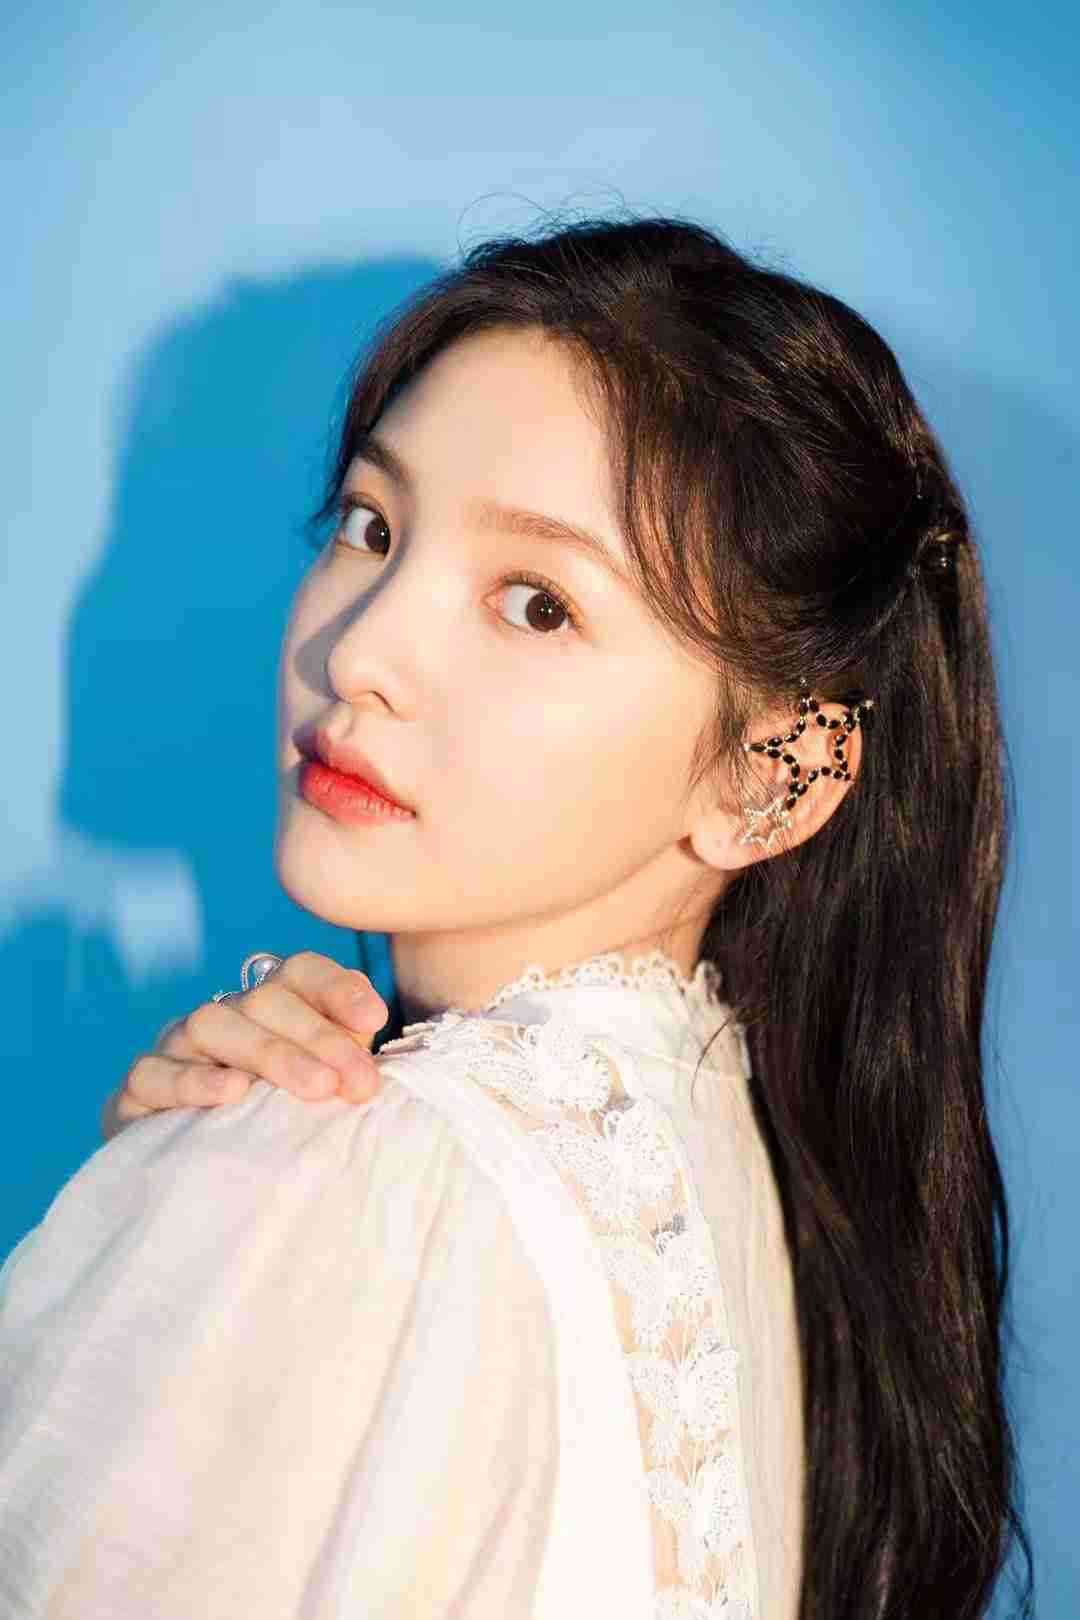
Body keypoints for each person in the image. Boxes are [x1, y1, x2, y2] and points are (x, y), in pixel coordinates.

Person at [0, 214, 1033, 1620]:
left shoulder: (346, 1175)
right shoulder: (713, 1148)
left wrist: (203, 1206)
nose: (360, 651)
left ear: (767, 777)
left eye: (537, 606)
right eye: (371, 526)